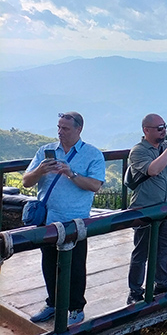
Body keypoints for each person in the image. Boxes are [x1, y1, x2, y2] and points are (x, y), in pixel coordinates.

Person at [22, 111, 105, 326]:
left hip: (75, 221)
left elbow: (95, 185)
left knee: (76, 265)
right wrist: (40, 171)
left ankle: (76, 307)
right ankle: (53, 303)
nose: (60, 132)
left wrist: (71, 174)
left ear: (79, 129)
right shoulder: (45, 151)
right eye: (59, 127)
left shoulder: (93, 154)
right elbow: (26, 182)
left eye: (65, 128)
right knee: (49, 263)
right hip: (48, 219)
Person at [126, 114, 167, 304]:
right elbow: (153, 170)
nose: (164, 131)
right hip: (145, 209)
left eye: (165, 127)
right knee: (141, 252)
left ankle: (161, 282)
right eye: (160, 128)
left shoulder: (165, 147)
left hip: (166, 208)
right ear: (146, 130)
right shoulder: (138, 151)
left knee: (163, 247)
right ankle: (135, 291)